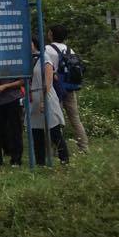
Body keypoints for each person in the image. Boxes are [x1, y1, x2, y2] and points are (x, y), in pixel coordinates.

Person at [46, 24, 89, 153]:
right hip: (70, 89)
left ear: (52, 34)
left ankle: (55, 148)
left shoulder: (47, 49)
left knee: (55, 120)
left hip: (55, 89)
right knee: (75, 119)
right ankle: (84, 147)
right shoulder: (70, 50)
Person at [30, 37, 70, 165]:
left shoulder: (45, 58)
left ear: (35, 44)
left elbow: (48, 81)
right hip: (33, 99)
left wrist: (43, 101)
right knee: (36, 132)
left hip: (46, 97)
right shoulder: (29, 60)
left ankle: (64, 159)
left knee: (54, 131)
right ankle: (40, 162)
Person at [0, 76, 24, 167]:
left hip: (12, 99)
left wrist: (6, 86)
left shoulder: (15, 62)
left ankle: (16, 160)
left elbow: (22, 81)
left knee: (14, 130)